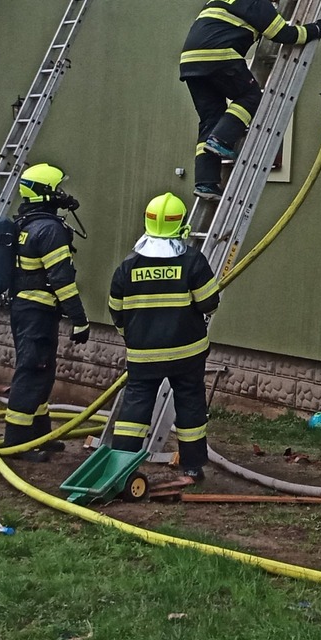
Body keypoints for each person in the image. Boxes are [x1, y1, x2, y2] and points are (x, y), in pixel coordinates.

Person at [180, 0, 321, 197]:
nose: (272, 1)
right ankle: (221, 139)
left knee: (210, 118)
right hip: (220, 55)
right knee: (250, 96)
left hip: (191, 62)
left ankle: (205, 183)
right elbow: (283, 34)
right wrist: (316, 30)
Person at [106, 192, 220, 482]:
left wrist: (132, 338)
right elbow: (209, 303)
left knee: (135, 406)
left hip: (143, 355)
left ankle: (120, 466)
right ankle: (192, 467)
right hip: (187, 353)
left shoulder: (127, 266)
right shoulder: (193, 261)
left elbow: (116, 311)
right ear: (181, 224)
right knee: (190, 404)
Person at [3, 162, 90, 458]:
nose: (62, 193)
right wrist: (79, 319)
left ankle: (40, 434)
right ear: (45, 192)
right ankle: (16, 443)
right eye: (58, 188)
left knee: (41, 372)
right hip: (37, 312)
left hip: (26, 309)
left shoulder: (25, 224)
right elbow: (61, 279)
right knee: (32, 372)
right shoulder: (49, 230)